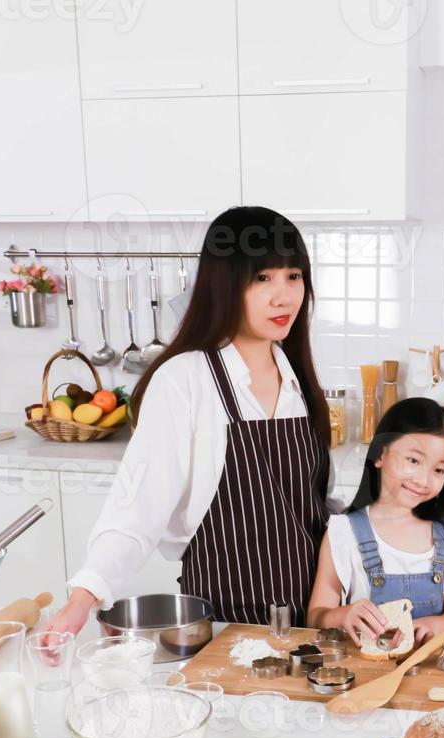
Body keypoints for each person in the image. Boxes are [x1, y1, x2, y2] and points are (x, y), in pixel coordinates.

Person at [43, 206, 334, 637]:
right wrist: (82, 598)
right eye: (262, 278)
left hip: (310, 625)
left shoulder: (299, 382)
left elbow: (315, 511)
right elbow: (138, 506)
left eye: (294, 276)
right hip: (221, 627)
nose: (284, 296)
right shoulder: (185, 379)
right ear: (225, 286)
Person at [307, 398, 444, 647]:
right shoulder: (344, 533)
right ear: (380, 454)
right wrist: (344, 615)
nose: (423, 480)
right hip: (370, 673)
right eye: (414, 461)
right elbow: (316, 616)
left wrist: (433, 625)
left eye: (439, 470)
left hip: (434, 672)